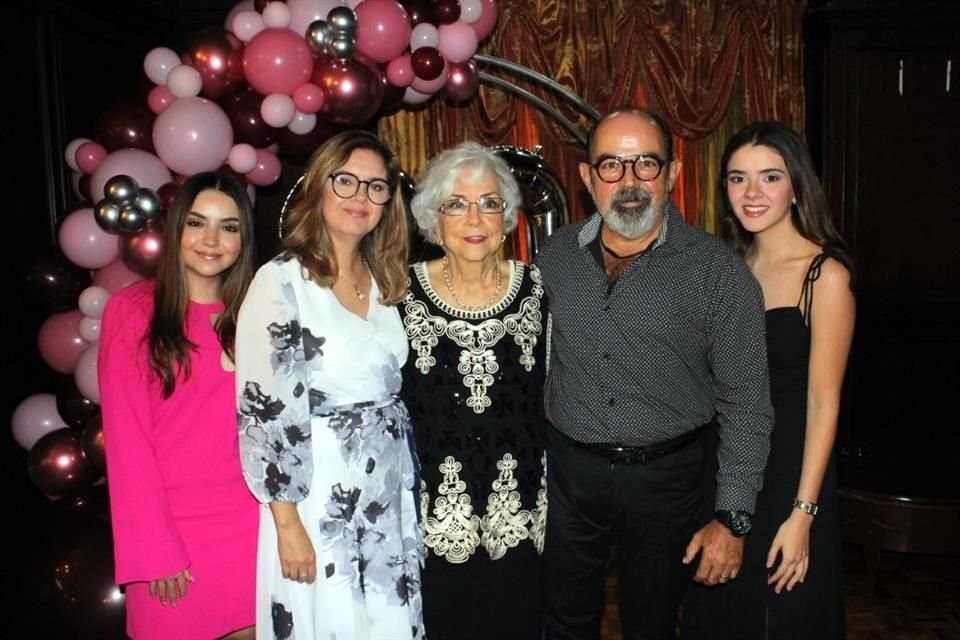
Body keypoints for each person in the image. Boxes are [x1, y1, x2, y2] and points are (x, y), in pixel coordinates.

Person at [535, 107, 775, 640]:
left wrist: (733, 518)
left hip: (667, 484)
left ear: (673, 174)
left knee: (652, 625)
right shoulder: (553, 258)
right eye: (611, 166)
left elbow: (747, 405)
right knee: (563, 622)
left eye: (646, 164)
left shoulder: (717, 272)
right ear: (586, 178)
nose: (629, 182)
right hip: (570, 479)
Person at [235, 129, 424, 640]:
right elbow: (264, 415)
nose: (360, 198)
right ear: (320, 185)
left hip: (386, 487)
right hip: (316, 497)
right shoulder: (281, 282)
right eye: (346, 182)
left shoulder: (388, 280)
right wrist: (287, 523)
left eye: (376, 187)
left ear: (389, 202)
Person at [681, 121, 854, 639]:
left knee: (785, 619)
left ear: (796, 186)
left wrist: (803, 515)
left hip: (791, 479)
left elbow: (824, 404)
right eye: (738, 178)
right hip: (720, 472)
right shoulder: (723, 270)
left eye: (769, 177)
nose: (751, 193)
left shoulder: (825, 276)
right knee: (719, 618)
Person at [98, 172, 258, 640]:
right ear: (176, 231)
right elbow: (127, 444)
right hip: (169, 538)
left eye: (229, 227)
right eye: (197, 223)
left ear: (243, 239)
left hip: (249, 531)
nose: (212, 240)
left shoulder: (257, 313)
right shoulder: (133, 310)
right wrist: (155, 550)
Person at [401, 141, 548, 639]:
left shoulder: (538, 290)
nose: (475, 218)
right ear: (432, 218)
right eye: (456, 204)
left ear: (507, 217)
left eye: (490, 203)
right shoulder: (397, 295)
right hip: (433, 515)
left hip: (521, 510)